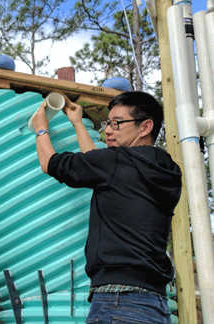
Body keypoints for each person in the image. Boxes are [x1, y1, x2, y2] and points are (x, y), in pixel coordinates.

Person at [30, 91, 181, 324]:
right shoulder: (168, 171)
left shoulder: (115, 163)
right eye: (107, 123)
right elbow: (98, 166)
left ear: (145, 126)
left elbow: (50, 163)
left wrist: (41, 129)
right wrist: (78, 124)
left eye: (117, 123)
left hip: (118, 302)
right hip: (156, 306)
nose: (108, 130)